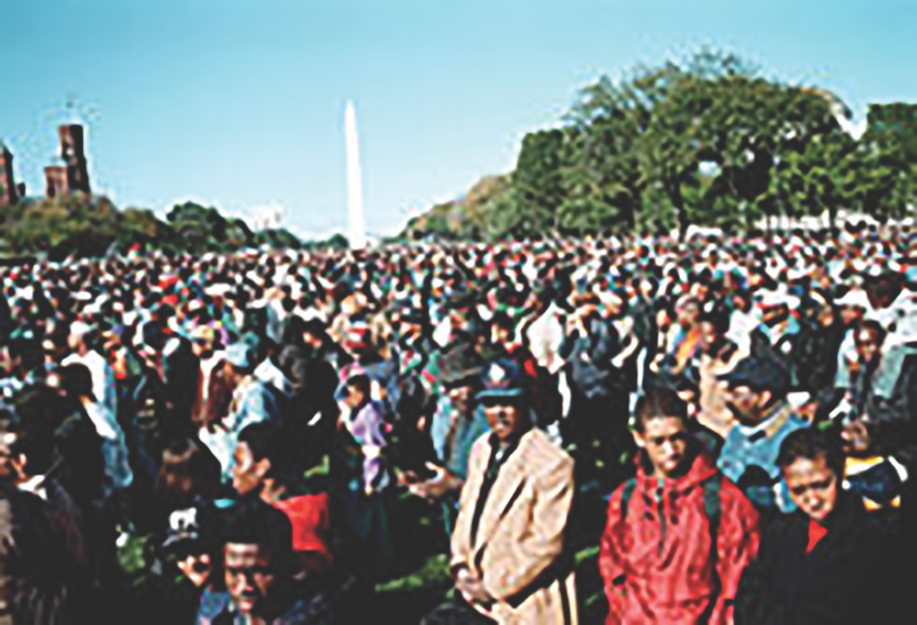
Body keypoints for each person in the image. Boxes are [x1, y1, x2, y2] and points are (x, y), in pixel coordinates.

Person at [423, 359, 577, 625]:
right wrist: (461, 566)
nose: (499, 413)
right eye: (491, 404)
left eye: (508, 403)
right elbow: (467, 513)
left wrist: (491, 587)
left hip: (520, 597)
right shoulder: (482, 449)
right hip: (473, 589)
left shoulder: (552, 463)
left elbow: (545, 544)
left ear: (524, 404)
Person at [599, 387, 760, 624]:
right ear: (639, 438)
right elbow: (613, 567)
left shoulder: (723, 499)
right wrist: (627, 612)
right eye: (659, 441)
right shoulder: (626, 499)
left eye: (677, 438)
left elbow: (737, 578)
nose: (670, 451)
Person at [734, 427, 904, 624]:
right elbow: (748, 595)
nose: (813, 500)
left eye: (821, 485)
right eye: (799, 491)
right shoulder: (780, 532)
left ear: (839, 473)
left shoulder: (874, 538)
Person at [196, 497, 334, 625]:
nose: (245, 585)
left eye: (260, 572)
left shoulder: (322, 614)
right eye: (233, 572)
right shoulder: (214, 610)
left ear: (286, 565)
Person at [716, 351, 809, 522]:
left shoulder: (797, 439)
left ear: (764, 398)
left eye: (737, 394)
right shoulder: (739, 431)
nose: (729, 400)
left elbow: (792, 508)